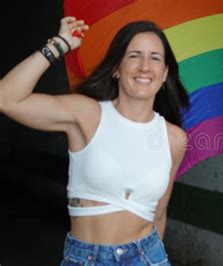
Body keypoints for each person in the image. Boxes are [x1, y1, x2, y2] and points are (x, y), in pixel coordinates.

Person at [0, 17, 189, 265]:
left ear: (164, 74)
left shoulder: (174, 138)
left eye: (154, 58)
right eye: (134, 56)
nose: (145, 66)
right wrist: (59, 45)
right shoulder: (87, 114)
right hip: (86, 257)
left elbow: (159, 214)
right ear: (116, 68)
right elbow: (6, 99)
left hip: (148, 257)